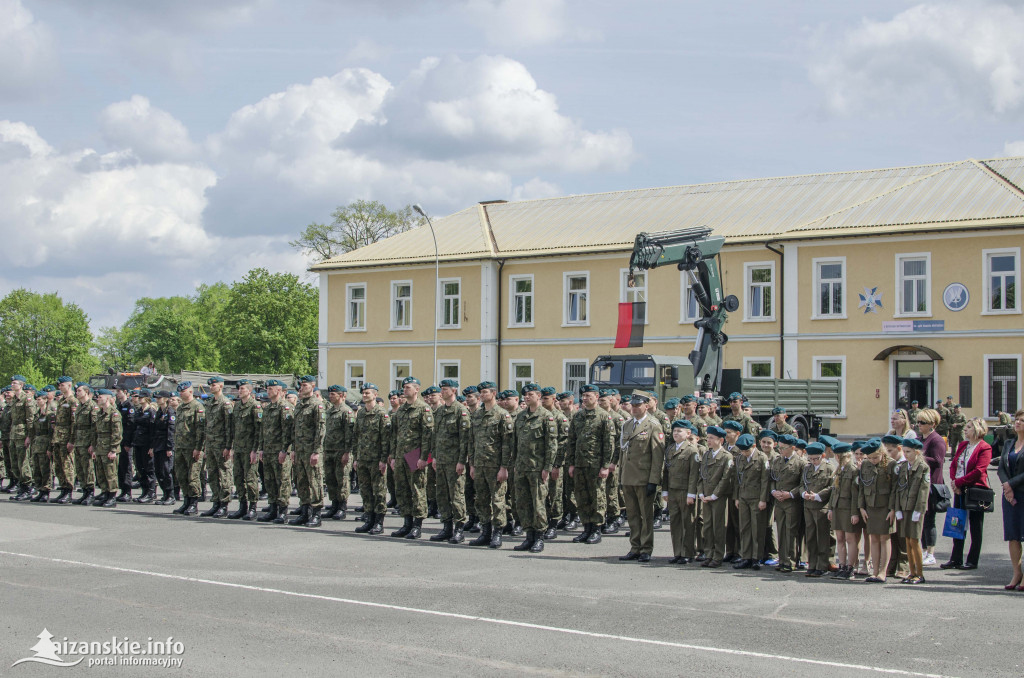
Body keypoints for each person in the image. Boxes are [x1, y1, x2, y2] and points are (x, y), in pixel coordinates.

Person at [508, 383, 556, 553]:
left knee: (538, 503)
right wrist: (513, 464)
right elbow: (515, 444)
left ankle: (539, 537)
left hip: (537, 468)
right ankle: (529, 536)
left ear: (538, 396)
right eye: (525, 395)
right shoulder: (520, 417)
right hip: (521, 466)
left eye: (530, 395)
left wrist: (547, 467)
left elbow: (551, 445)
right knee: (523, 502)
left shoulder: (546, 417)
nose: (526, 397)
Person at [618, 391, 665, 563]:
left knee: (646, 515)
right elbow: (623, 454)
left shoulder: (653, 425)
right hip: (628, 477)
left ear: (647, 406)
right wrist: (620, 478)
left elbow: (657, 456)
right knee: (632, 515)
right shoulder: (627, 425)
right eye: (633, 405)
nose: (635, 408)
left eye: (638, 405)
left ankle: (646, 548)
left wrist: (654, 481)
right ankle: (635, 547)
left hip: (644, 478)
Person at [567, 384, 615, 545]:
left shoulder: (603, 416)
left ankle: (596, 529)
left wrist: (605, 466)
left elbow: (609, 443)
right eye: (583, 396)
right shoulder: (578, 416)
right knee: (582, 497)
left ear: (596, 397)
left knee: (597, 497)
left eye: (588, 396)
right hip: (580, 464)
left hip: (596, 465)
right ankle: (586, 528)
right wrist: (571, 463)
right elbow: (572, 441)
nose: (585, 399)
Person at [941, 418, 992, 570]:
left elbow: (979, 470)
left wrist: (960, 481)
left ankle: (972, 560)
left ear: (977, 429)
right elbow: (954, 464)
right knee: (957, 523)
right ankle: (955, 558)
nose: (965, 429)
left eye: (969, 427)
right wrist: (954, 481)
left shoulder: (985, 447)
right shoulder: (963, 445)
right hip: (959, 489)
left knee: (976, 526)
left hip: (975, 489)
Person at [467, 381, 513, 548]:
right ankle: (485, 532)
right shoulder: (477, 415)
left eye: (485, 392)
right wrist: (472, 464)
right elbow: (472, 441)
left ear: (493, 393)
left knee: (498, 500)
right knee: (481, 500)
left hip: (495, 465)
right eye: (480, 392)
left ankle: (497, 533)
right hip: (479, 465)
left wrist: (504, 467)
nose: (481, 395)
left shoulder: (502, 415)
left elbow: (507, 444)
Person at [389, 376, 434, 539]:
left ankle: (417, 525)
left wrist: (424, 458)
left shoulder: (423, 409)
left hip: (416, 455)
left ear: (417, 389)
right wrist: (393, 456)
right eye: (404, 387)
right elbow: (394, 435)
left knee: (417, 490)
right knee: (402, 490)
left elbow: (428, 436)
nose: (404, 390)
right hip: (401, 456)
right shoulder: (401, 410)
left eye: (408, 387)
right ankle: (407, 523)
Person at [430, 379, 471, 544]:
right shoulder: (440, 411)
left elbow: (465, 439)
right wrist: (434, 457)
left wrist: (462, 461)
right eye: (442, 389)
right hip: (440, 460)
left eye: (445, 389)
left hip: (455, 461)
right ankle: (446, 528)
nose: (442, 392)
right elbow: (435, 436)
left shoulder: (461, 411)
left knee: (456, 495)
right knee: (442, 495)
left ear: (454, 391)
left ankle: (459, 529)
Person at [288, 376, 326, 527]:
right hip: (299, 450)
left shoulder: (316, 405)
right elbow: (294, 429)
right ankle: (305, 512)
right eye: (301, 386)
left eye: (304, 385)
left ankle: (316, 514)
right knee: (301, 482)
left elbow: (320, 429)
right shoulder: (299, 405)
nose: (301, 388)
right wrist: (293, 449)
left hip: (311, 450)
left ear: (312, 386)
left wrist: (316, 451)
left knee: (315, 481)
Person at [858, 438, 895, 583]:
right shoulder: (865, 465)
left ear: (882, 453)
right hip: (870, 506)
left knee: (884, 538)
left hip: (885, 506)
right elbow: (861, 487)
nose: (873, 460)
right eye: (870, 458)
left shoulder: (891, 464)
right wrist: (861, 507)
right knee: (873, 538)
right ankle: (874, 571)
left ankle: (882, 571)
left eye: (876, 457)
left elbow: (894, 490)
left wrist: (892, 509)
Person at [697, 424, 733, 567]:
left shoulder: (726, 456)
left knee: (718, 527)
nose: (709, 440)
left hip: (718, 497)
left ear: (721, 440)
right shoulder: (706, 454)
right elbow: (701, 476)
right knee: (707, 526)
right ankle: (709, 553)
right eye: (708, 438)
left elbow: (725, 479)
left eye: (712, 438)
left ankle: (718, 556)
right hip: (705, 496)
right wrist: (701, 492)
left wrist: (714, 495)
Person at [665, 420, 700, 564]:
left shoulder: (692, 450)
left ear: (688, 433)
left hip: (685, 491)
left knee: (688, 523)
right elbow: (666, 472)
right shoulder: (670, 449)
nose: (676, 434)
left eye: (679, 431)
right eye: (674, 431)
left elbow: (694, 474)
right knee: (675, 522)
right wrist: (665, 490)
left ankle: (688, 553)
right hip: (673, 490)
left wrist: (691, 494)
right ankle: (677, 552)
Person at [895, 438, 929, 584]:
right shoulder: (903, 467)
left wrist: (919, 510)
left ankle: (919, 573)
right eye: (905, 451)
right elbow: (898, 489)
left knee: (915, 540)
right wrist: (897, 508)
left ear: (916, 452)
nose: (906, 454)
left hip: (915, 508)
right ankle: (911, 571)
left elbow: (924, 490)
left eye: (909, 452)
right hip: (904, 507)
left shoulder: (923, 467)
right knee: (907, 540)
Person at [996, 409, 1024, 590]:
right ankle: (1016, 573)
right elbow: (1000, 467)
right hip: (1010, 496)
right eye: (1017, 419)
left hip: (1021, 492)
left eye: (1022, 420)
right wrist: (1007, 485)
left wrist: (1011, 484)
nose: (1018, 422)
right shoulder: (1008, 443)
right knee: (1013, 536)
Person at [733, 432, 769, 570]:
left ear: (754, 446)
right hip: (743, 497)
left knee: (757, 529)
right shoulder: (739, 458)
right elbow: (737, 479)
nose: (744, 453)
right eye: (742, 450)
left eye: (747, 450)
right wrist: (736, 497)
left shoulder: (761, 458)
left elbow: (764, 481)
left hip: (756, 498)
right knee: (745, 528)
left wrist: (763, 499)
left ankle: (756, 557)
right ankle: (746, 556)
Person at [916, 408, 946, 565]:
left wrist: (918, 456)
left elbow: (937, 460)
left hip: (933, 484)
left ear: (932, 424)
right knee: (921, 518)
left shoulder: (937, 440)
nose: (919, 425)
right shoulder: (920, 439)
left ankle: (931, 552)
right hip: (920, 483)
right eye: (918, 422)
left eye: (923, 422)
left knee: (929, 520)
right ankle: (922, 549)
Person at [228, 380, 261, 520]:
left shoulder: (255, 406)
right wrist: (232, 448)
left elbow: (259, 431)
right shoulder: (237, 407)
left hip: (250, 449)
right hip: (239, 448)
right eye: (239, 389)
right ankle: (242, 506)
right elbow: (233, 429)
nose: (239, 391)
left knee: (251, 478)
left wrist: (256, 450)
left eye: (242, 389)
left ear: (249, 391)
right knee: (238, 477)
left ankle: (253, 507)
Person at [171, 382, 206, 517]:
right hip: (180, 447)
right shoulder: (180, 408)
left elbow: (200, 429)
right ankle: (186, 500)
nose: (180, 393)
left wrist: (198, 448)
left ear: (190, 392)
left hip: (192, 448)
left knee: (193, 476)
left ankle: (193, 503)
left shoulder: (197, 406)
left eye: (183, 391)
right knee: (181, 475)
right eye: (179, 391)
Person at [801, 441, 835, 577]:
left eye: (816, 458)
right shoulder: (807, 468)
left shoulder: (829, 468)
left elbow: (831, 487)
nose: (814, 461)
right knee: (810, 537)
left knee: (822, 537)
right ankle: (812, 563)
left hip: (821, 506)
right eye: (811, 459)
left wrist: (818, 496)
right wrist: (803, 493)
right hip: (808, 506)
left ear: (823, 455)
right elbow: (801, 484)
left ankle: (822, 565)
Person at [827, 442, 859, 579]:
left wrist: (854, 513)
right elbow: (834, 491)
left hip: (848, 508)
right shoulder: (839, 469)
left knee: (850, 539)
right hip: (838, 507)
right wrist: (831, 508)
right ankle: (842, 565)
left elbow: (855, 494)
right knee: (840, 538)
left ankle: (850, 568)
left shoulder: (853, 469)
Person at [323, 385, 355, 520]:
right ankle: (334, 504)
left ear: (342, 396)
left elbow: (350, 434)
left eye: (334, 394)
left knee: (342, 479)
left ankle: (342, 506)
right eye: (330, 394)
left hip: (341, 451)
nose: (330, 396)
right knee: (331, 479)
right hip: (329, 450)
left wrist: (347, 452)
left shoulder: (346, 412)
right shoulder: (329, 411)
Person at [91, 389, 123, 507]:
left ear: (108, 398)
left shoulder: (114, 413)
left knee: (110, 473)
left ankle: (112, 496)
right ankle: (105, 493)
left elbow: (117, 433)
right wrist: (94, 448)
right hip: (100, 447)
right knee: (101, 473)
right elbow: (96, 432)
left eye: (100, 397)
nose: (98, 399)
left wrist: (113, 449)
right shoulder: (99, 413)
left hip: (109, 447)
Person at [49, 377, 77, 504]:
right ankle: (63, 489)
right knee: (59, 466)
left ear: (69, 385)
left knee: (67, 465)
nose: (60, 387)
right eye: (59, 385)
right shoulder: (61, 401)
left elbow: (74, 423)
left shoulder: (73, 401)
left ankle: (69, 490)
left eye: (62, 385)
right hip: (58, 437)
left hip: (66, 438)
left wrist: (71, 440)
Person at [70, 384, 99, 505]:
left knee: (88, 467)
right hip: (78, 441)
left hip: (87, 441)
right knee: (80, 468)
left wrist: (93, 444)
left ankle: (90, 493)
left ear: (86, 392)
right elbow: (75, 426)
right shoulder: (79, 406)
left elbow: (95, 427)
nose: (77, 393)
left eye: (79, 390)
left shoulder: (92, 406)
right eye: (76, 391)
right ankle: (84, 491)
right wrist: (72, 441)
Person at [152, 390, 177, 505]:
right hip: (158, 444)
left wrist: (169, 448)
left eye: (160, 398)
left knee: (166, 470)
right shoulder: (159, 412)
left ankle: (171, 495)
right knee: (158, 470)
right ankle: (165, 494)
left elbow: (171, 431)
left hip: (165, 445)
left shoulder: (170, 412)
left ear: (166, 399)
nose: (157, 400)